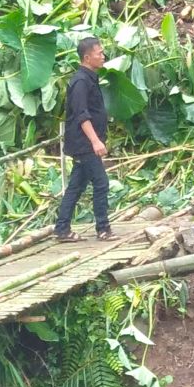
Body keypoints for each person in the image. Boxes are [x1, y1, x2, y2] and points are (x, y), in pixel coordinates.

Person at [54, 36, 114, 242]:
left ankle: (62, 229)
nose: (103, 56)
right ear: (87, 57)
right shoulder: (80, 81)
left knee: (76, 186)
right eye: (99, 53)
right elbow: (81, 114)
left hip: (83, 143)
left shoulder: (88, 78)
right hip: (84, 143)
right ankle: (103, 229)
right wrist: (96, 141)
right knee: (101, 183)